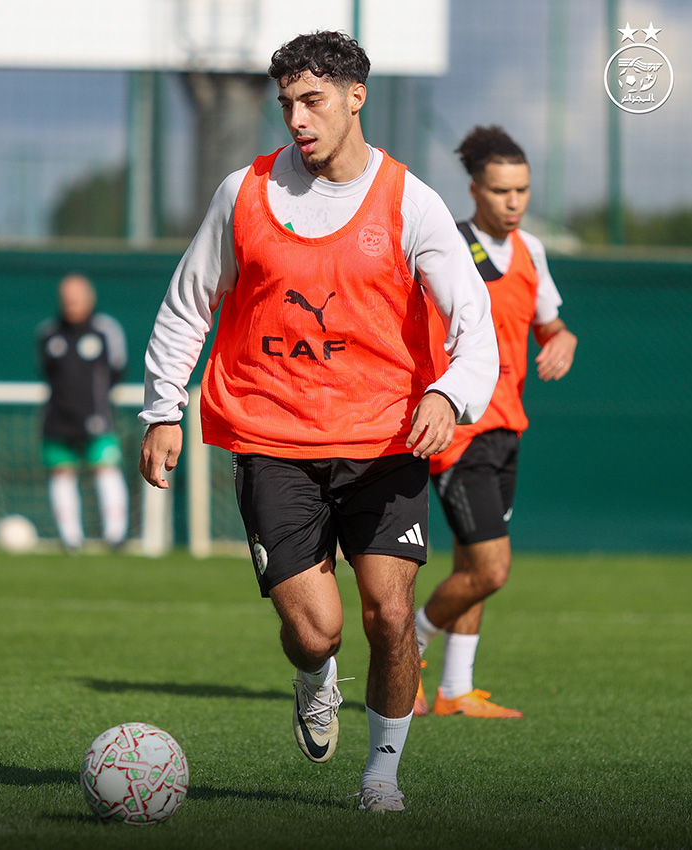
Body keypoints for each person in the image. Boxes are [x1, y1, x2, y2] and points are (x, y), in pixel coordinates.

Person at [139, 32, 498, 812]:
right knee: (316, 632)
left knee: (391, 615)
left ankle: (381, 777)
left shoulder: (410, 202)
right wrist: (164, 408)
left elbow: (476, 327)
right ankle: (314, 677)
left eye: (313, 101)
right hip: (272, 441)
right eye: (286, 104)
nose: (297, 119)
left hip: (385, 442)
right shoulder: (243, 193)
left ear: (355, 97)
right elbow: (188, 303)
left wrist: (447, 396)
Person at [412, 125, 578, 719]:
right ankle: (405, 649)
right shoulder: (448, 247)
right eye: (501, 190)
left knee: (470, 564)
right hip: (461, 429)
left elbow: (551, 325)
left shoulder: (531, 250)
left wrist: (563, 339)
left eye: (522, 190)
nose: (514, 202)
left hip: (508, 427)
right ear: (475, 190)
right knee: (491, 568)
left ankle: (455, 690)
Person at [37, 273, 130, 551]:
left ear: (89, 299)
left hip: (96, 418)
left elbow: (117, 368)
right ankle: (71, 539)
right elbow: (46, 372)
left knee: (106, 469)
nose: (71, 305)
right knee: (61, 473)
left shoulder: (105, 330)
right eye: (66, 300)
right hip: (58, 419)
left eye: (76, 299)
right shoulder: (48, 333)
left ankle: (115, 535)